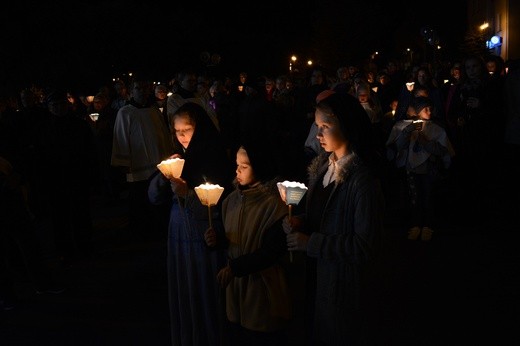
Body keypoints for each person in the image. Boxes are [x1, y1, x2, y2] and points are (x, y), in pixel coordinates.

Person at [283, 90, 386, 345]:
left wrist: (311, 243)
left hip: (341, 283)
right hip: (317, 275)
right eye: (317, 126)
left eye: (325, 126)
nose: (318, 135)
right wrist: (301, 221)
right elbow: (325, 215)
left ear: (347, 125)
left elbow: (364, 245)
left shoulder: (361, 181)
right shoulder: (323, 167)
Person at [148, 102, 234, 346]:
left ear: (201, 128)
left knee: (204, 291)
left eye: (187, 129)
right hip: (178, 233)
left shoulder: (214, 157)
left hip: (202, 234)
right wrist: (163, 177)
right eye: (177, 131)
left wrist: (188, 194)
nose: (182, 136)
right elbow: (153, 198)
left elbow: (219, 206)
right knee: (185, 288)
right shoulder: (179, 158)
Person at [204, 140, 292, 346]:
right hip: (235, 290)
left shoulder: (275, 204)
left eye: (245, 166)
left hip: (261, 290)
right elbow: (232, 239)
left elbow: (270, 252)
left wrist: (236, 267)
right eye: (236, 165)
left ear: (260, 165)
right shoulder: (230, 201)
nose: (238, 171)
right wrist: (216, 240)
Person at [111, 77, 173, 240]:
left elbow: (164, 135)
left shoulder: (153, 111)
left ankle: (158, 230)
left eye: (145, 88)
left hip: (158, 167)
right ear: (131, 92)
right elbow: (121, 138)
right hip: (137, 169)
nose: (143, 92)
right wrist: (123, 163)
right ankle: (141, 232)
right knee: (140, 203)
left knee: (157, 201)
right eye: (138, 88)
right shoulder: (125, 112)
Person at [386, 96, 455, 241]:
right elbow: (398, 147)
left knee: (428, 197)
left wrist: (425, 142)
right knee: (415, 198)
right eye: (425, 109)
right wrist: (407, 132)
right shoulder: (405, 126)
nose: (429, 111)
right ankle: (416, 225)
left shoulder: (436, 128)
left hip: (428, 169)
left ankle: (428, 226)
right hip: (412, 169)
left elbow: (442, 150)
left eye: (430, 108)